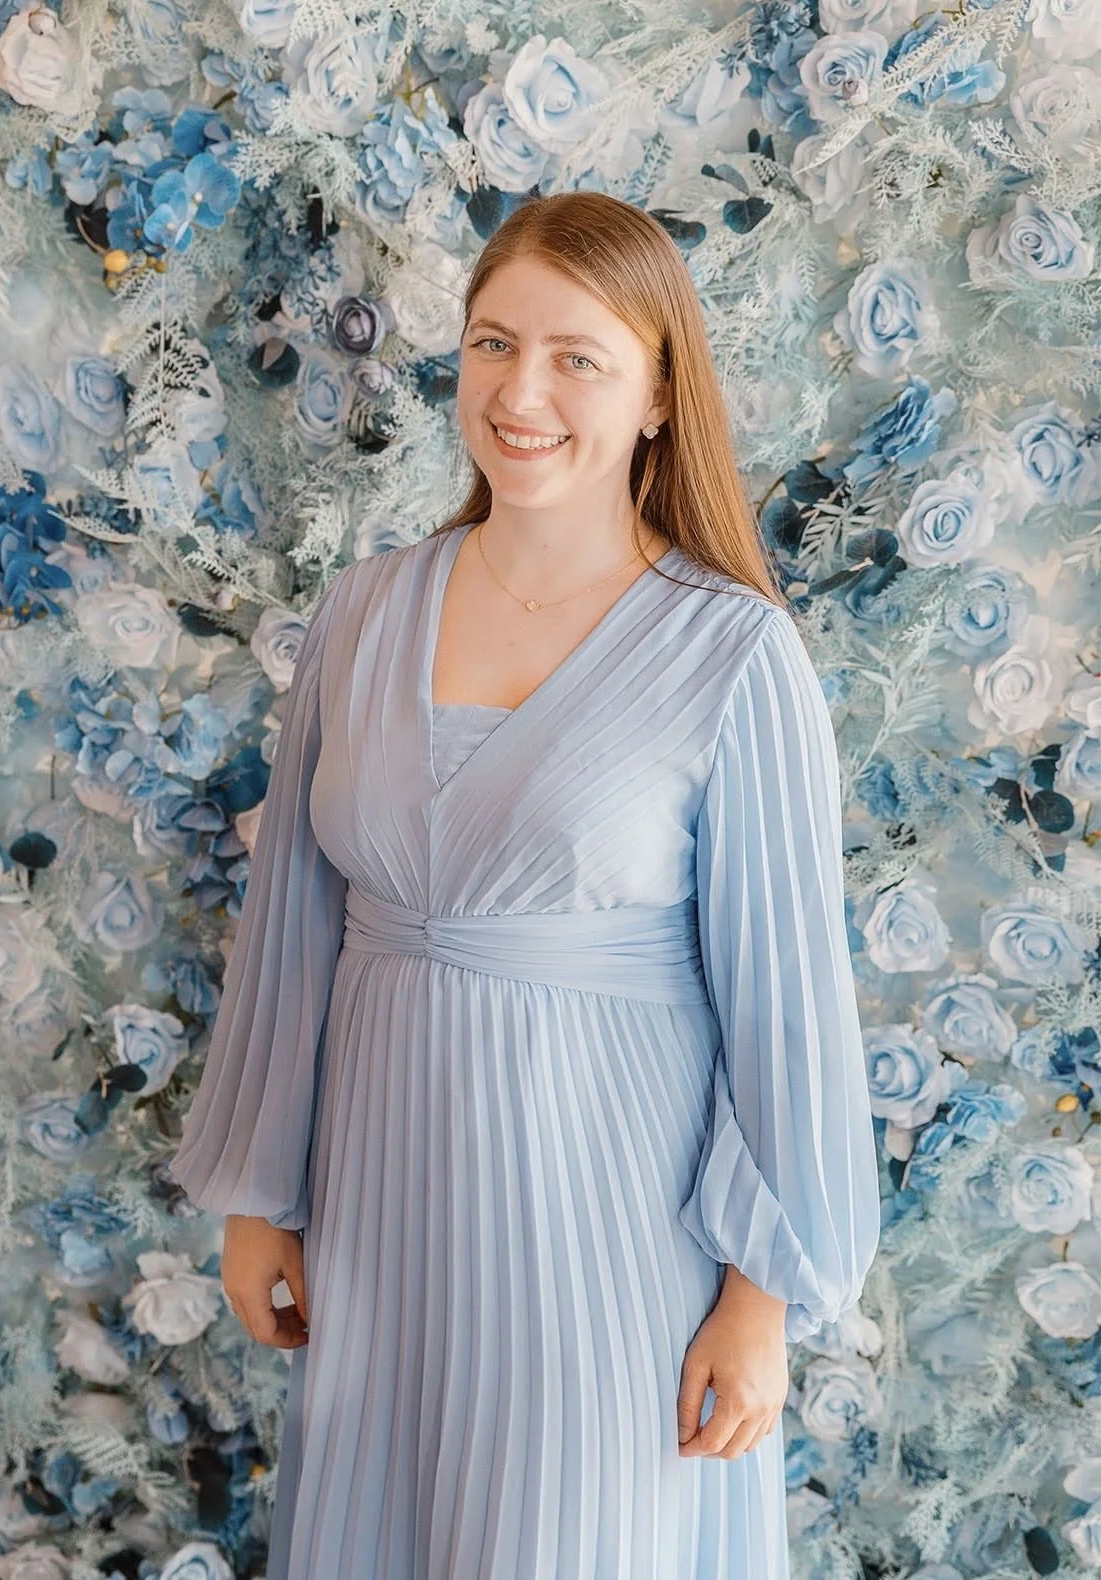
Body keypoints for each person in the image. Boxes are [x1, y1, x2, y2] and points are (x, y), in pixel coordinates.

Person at [167, 190, 880, 1580]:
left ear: (659, 395)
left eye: (576, 357)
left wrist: (760, 1299)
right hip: (378, 1213)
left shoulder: (732, 654)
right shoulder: (365, 611)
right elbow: (294, 925)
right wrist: (260, 1190)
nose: (520, 392)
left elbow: (786, 1003)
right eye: (494, 344)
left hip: (605, 1223)